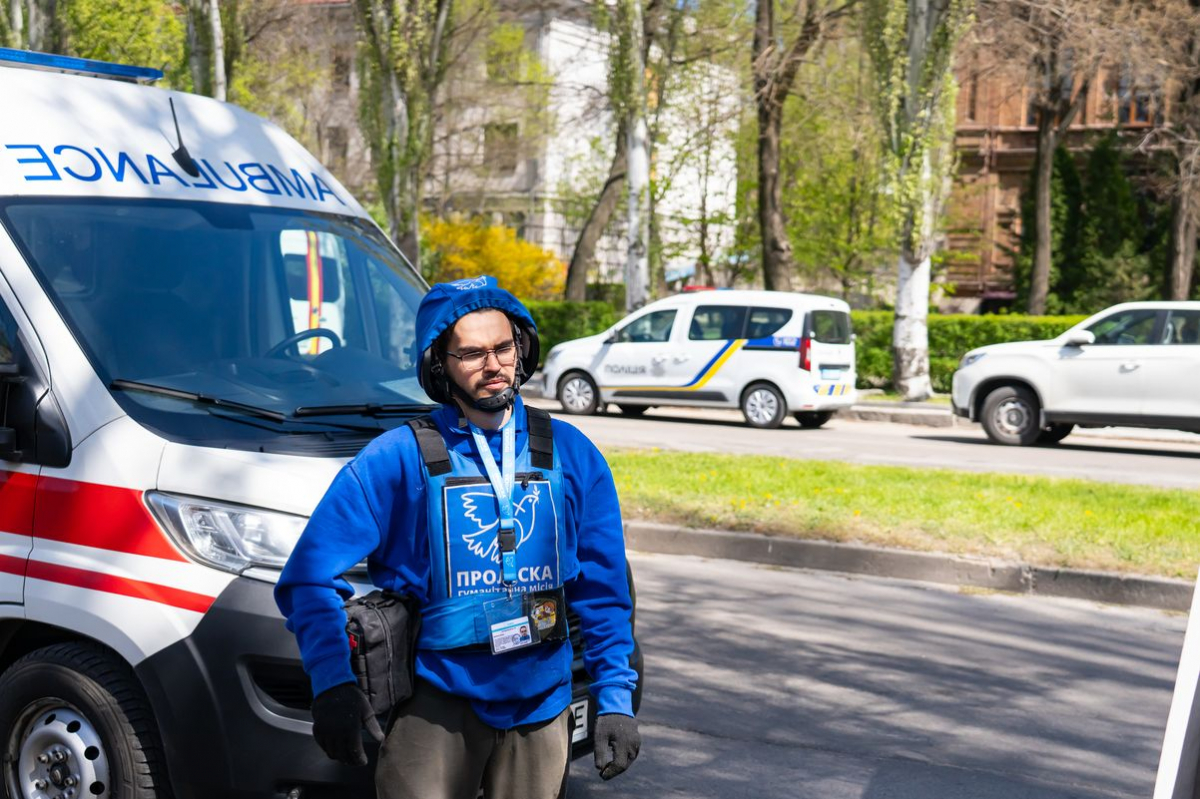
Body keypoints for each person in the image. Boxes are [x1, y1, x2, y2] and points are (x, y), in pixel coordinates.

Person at [275, 275, 641, 799]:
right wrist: (333, 682)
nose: (493, 365)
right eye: (471, 353)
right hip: (435, 704)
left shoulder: (572, 452)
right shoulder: (396, 458)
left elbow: (604, 591)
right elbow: (307, 579)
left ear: (522, 348)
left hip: (543, 704)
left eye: (502, 347)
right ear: (439, 365)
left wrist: (614, 699)